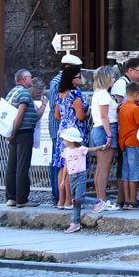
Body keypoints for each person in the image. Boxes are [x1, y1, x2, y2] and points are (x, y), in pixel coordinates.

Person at [47, 54, 82, 207]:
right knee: (67, 165)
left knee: (61, 164)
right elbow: (55, 108)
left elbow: (56, 110)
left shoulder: (61, 89)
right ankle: (63, 198)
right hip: (69, 129)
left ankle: (61, 199)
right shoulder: (65, 88)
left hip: (61, 128)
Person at [4, 69, 42, 208]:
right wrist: (14, 130)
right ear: (24, 78)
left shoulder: (12, 92)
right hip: (23, 132)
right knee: (22, 165)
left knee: (12, 165)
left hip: (13, 132)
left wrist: (10, 132)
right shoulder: (25, 93)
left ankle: (11, 197)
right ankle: (22, 199)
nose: (32, 79)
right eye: (30, 77)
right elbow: (20, 113)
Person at [53, 65, 88, 210]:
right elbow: (80, 116)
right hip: (74, 131)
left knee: (63, 166)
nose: (80, 79)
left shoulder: (60, 94)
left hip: (62, 131)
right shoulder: (74, 94)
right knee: (72, 166)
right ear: (72, 79)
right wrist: (87, 113)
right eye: (78, 77)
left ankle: (61, 201)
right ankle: (69, 200)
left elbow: (57, 115)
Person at [60, 127, 106, 233]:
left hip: (80, 175)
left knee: (79, 198)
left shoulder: (81, 149)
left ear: (71, 140)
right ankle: (75, 222)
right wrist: (63, 180)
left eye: (65, 139)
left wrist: (103, 146)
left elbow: (93, 149)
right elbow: (66, 166)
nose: (63, 141)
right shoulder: (66, 151)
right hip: (72, 176)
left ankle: (98, 202)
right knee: (75, 200)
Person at [90, 66, 119, 209]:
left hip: (98, 128)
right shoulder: (103, 95)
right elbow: (104, 116)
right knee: (104, 168)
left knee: (100, 168)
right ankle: (102, 200)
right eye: (112, 77)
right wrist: (109, 135)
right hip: (105, 129)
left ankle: (99, 199)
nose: (114, 79)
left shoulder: (98, 93)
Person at [118, 82, 139, 210]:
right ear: (135, 94)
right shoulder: (135, 109)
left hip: (124, 142)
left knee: (126, 172)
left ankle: (127, 200)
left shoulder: (123, 107)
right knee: (135, 172)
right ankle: (133, 200)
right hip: (135, 142)